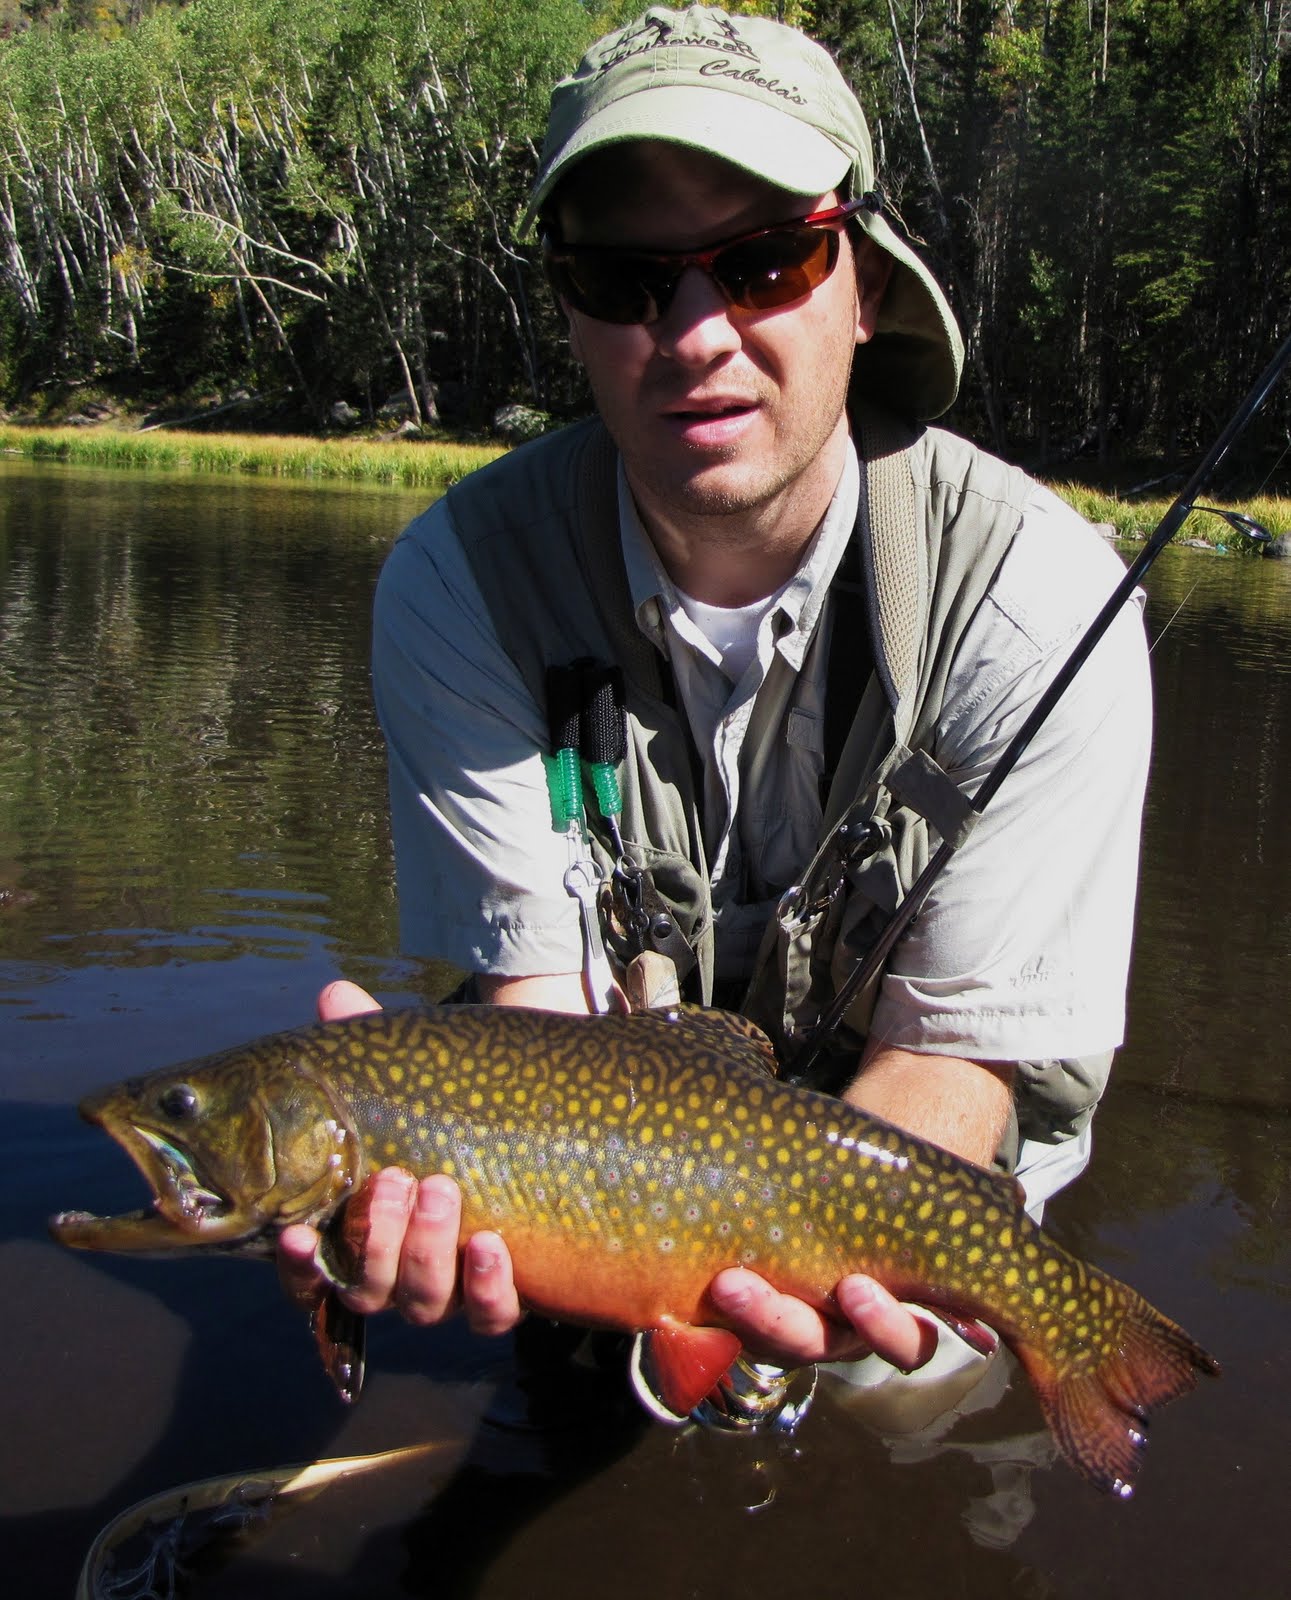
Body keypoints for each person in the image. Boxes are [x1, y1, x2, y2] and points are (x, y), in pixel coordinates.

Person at [279, 5, 1150, 1420]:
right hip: (612, 1158)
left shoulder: (1043, 603)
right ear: (565, 305)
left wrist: (820, 1284)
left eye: (763, 260)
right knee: (547, 1362)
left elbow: (959, 1064)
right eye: (622, 279)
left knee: (892, 1393)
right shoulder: (457, 587)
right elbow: (537, 1026)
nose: (692, 335)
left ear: (862, 281)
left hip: (910, 1157)